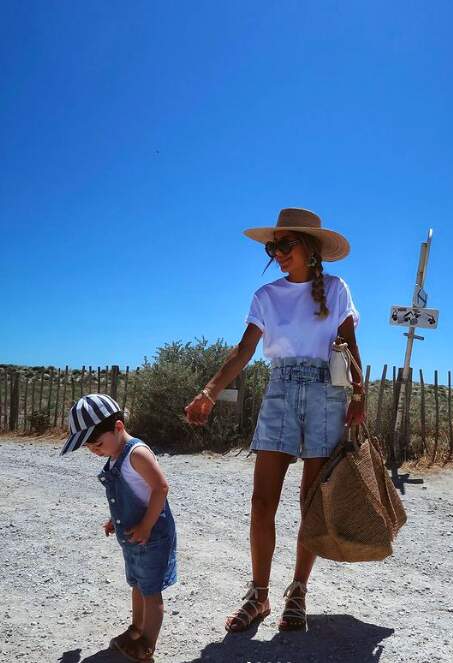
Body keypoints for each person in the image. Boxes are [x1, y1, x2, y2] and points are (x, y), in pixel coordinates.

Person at [185, 207, 365, 632]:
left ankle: (298, 592)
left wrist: (360, 397)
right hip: (280, 391)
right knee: (262, 501)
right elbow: (244, 350)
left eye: (286, 245)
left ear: (310, 249)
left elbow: (352, 346)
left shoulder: (336, 289)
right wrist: (209, 391)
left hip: (326, 393)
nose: (278, 253)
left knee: (310, 503)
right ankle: (260, 596)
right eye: (274, 246)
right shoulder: (265, 296)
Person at [60, 394, 177, 662]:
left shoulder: (136, 454)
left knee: (150, 591)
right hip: (134, 536)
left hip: (152, 536)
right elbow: (132, 494)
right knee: (137, 584)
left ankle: (147, 645)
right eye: (89, 448)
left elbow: (160, 488)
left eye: (97, 444)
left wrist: (146, 526)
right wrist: (116, 519)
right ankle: (136, 630)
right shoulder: (114, 456)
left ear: (119, 427)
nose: (95, 451)